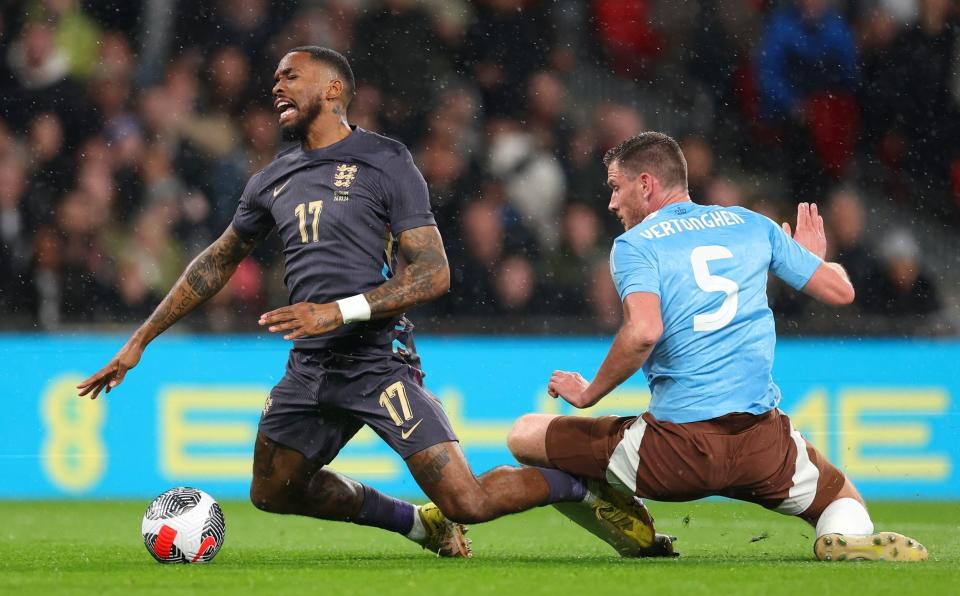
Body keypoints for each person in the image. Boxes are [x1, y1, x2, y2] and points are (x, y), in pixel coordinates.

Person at [77, 47, 672, 559]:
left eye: (291, 76)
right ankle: (420, 525)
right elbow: (216, 260)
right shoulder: (271, 179)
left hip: (376, 362)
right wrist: (139, 341)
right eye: (276, 78)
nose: (276, 86)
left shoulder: (385, 161)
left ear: (334, 89)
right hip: (310, 367)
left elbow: (435, 272)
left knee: (470, 500)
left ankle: (582, 487)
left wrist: (336, 312)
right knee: (273, 493)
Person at [507, 132, 928, 562]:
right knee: (844, 502)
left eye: (617, 188)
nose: (612, 203)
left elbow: (643, 332)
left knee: (525, 435)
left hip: (674, 452)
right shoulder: (752, 224)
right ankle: (840, 539)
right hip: (762, 445)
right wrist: (815, 260)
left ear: (647, 184)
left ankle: (617, 511)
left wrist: (590, 391)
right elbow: (840, 291)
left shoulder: (635, 245)